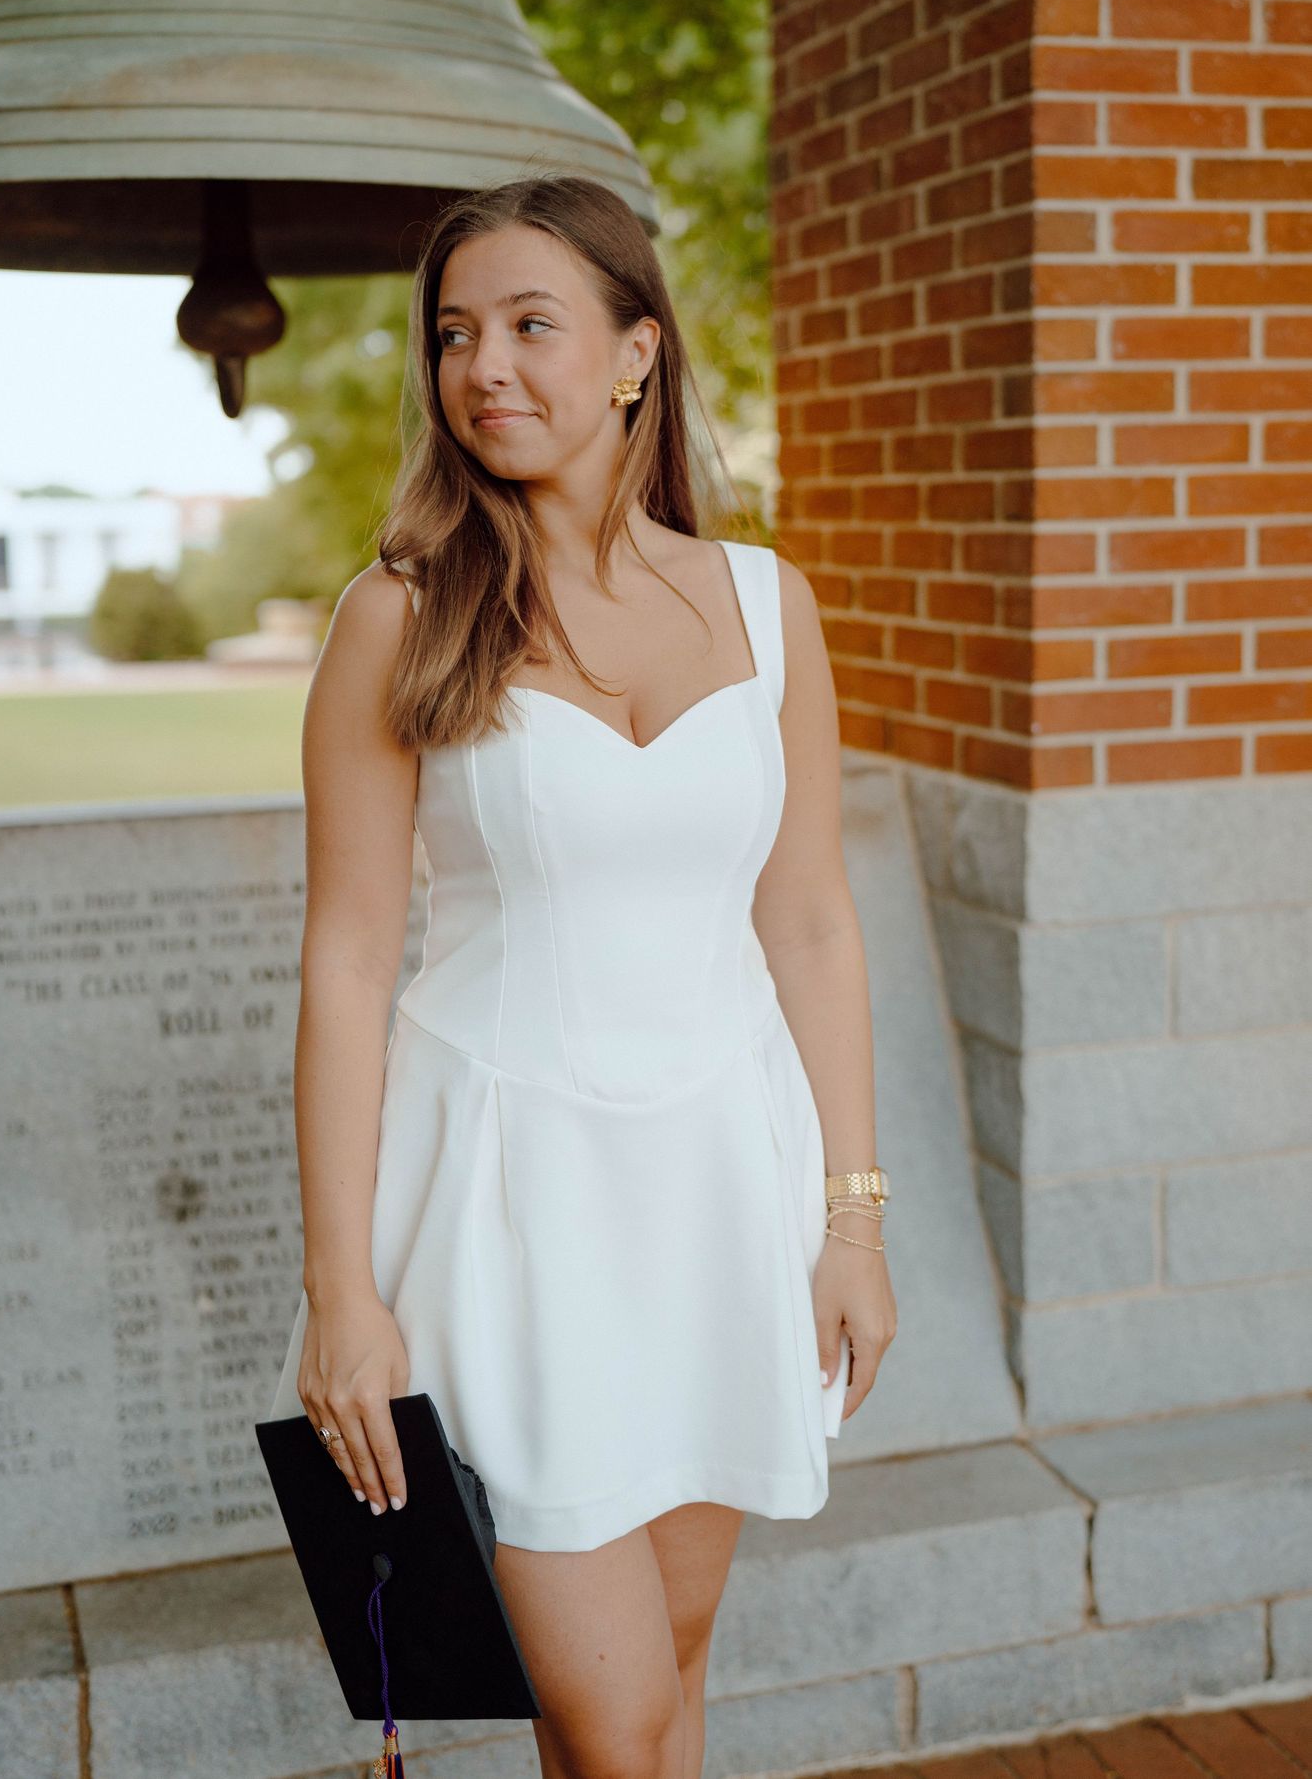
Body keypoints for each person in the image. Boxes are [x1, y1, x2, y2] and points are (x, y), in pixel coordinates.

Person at [273, 172, 897, 1779]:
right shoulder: (397, 619)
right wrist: (344, 1288)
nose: (486, 366)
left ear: (635, 354)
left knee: (669, 1690)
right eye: (457, 334)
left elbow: (813, 920)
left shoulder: (769, 607)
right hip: (508, 1209)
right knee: (615, 1726)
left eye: (532, 325)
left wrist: (852, 1221)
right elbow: (347, 963)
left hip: (715, 1194)